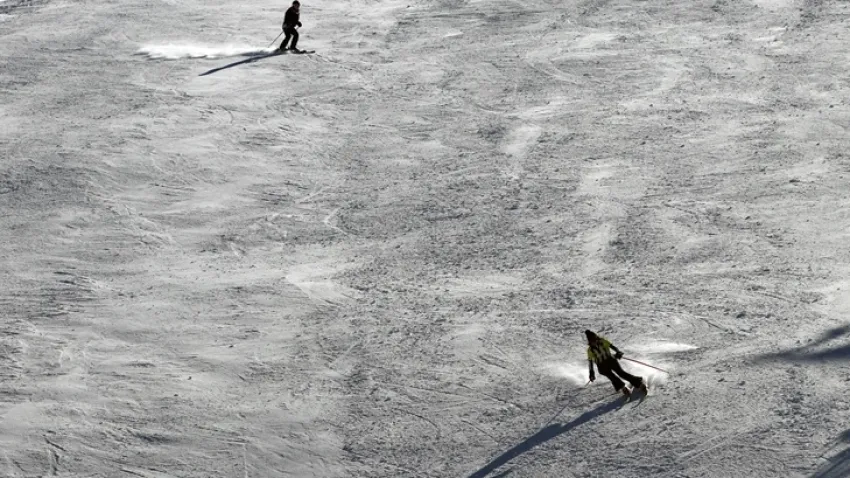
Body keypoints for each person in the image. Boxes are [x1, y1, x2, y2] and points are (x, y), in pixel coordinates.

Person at [585, 329, 645, 398]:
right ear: (590, 342)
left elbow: (613, 347)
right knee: (612, 377)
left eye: (595, 339)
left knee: (621, 373)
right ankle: (623, 388)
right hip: (602, 367)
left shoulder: (602, 341)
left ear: (596, 337)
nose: (595, 342)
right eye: (592, 341)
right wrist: (591, 373)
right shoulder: (590, 350)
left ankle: (638, 383)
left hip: (611, 361)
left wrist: (618, 352)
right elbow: (590, 363)